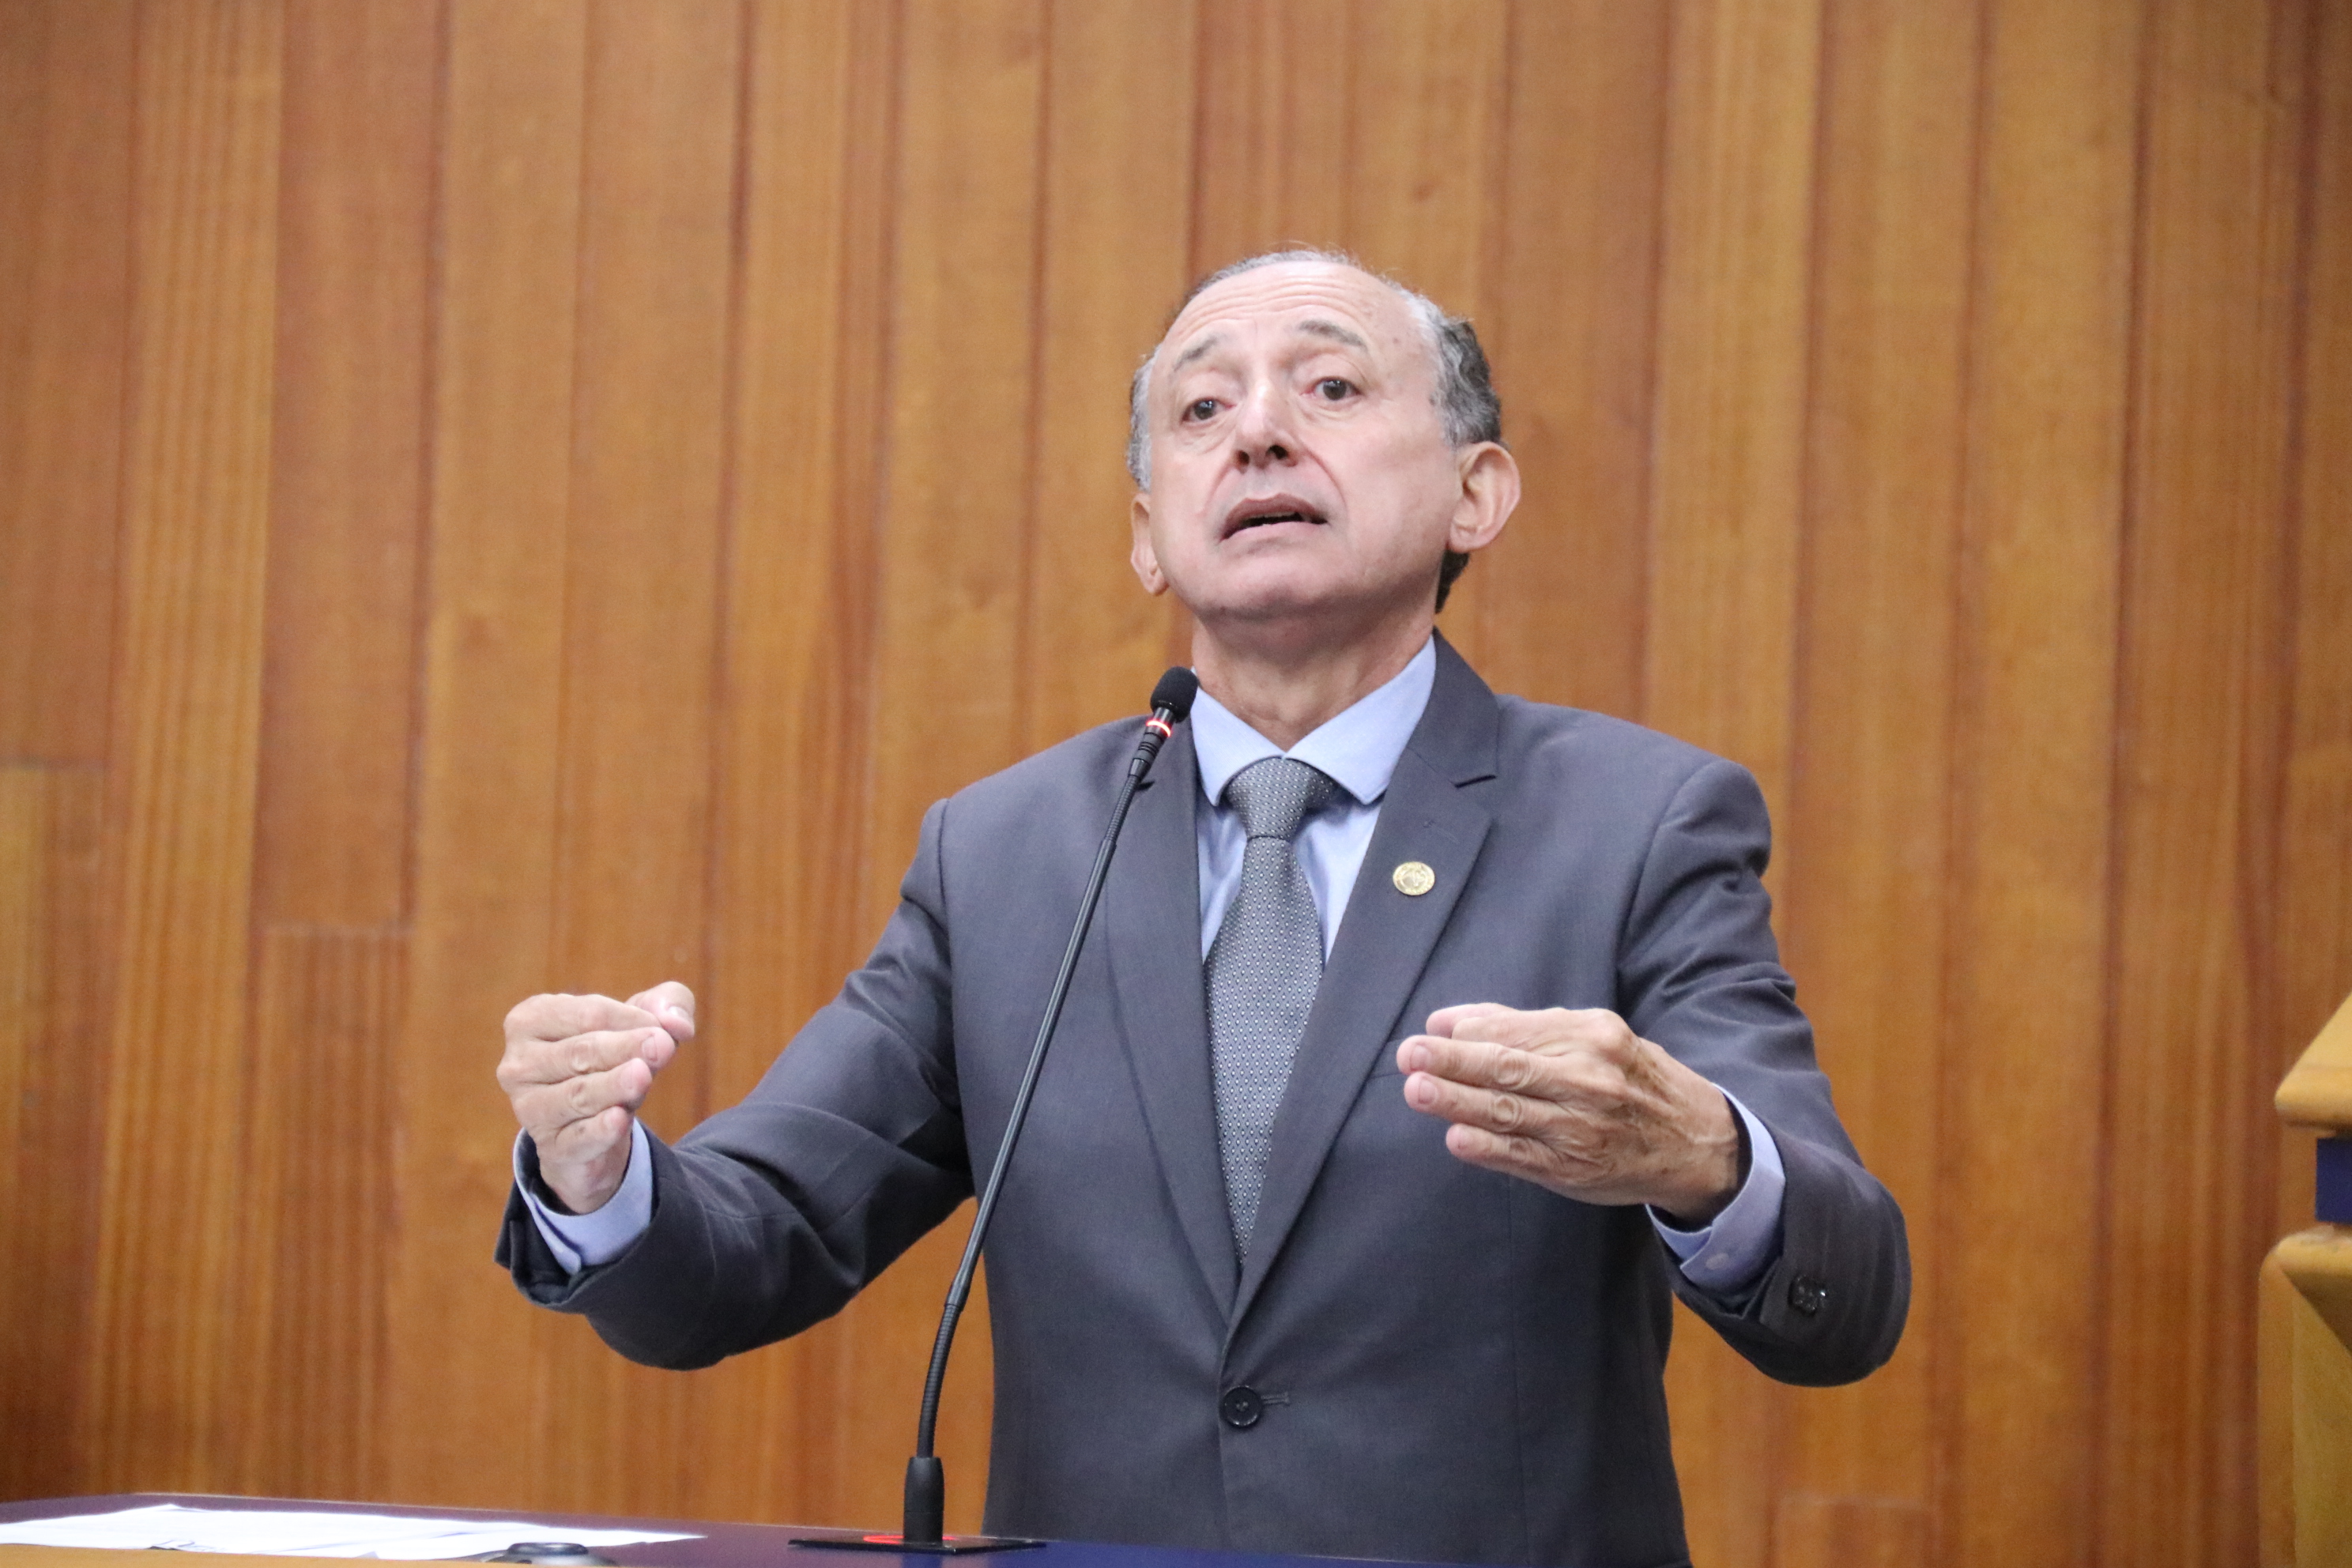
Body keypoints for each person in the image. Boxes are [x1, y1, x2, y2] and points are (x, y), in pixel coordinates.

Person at [495, 251, 1908, 1568]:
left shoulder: (1635, 825)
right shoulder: (1005, 854)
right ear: (1148, 536)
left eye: (1332, 386)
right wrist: (598, 1178)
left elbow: (1846, 1301)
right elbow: (751, 1245)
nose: (1260, 434)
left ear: (1476, 494)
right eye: (1203, 408)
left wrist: (1706, 1160)